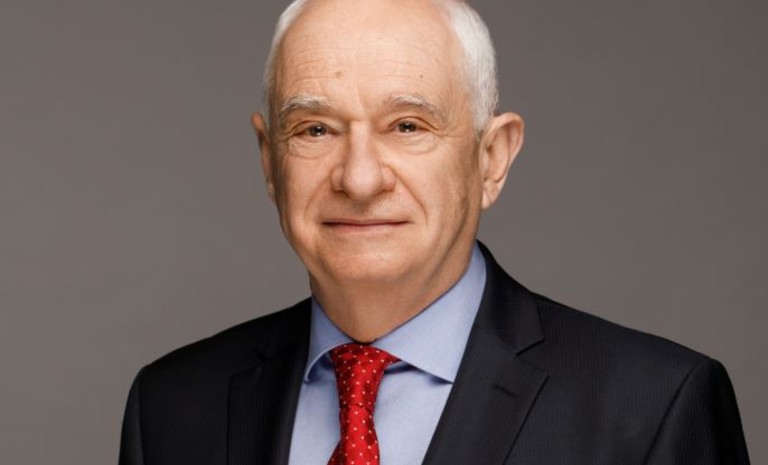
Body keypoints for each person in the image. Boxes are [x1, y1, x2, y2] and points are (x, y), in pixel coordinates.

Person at [118, 0, 750, 464]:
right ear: (269, 162)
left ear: (492, 158)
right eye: (315, 130)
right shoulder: (171, 407)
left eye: (408, 126)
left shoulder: (655, 409)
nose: (359, 179)